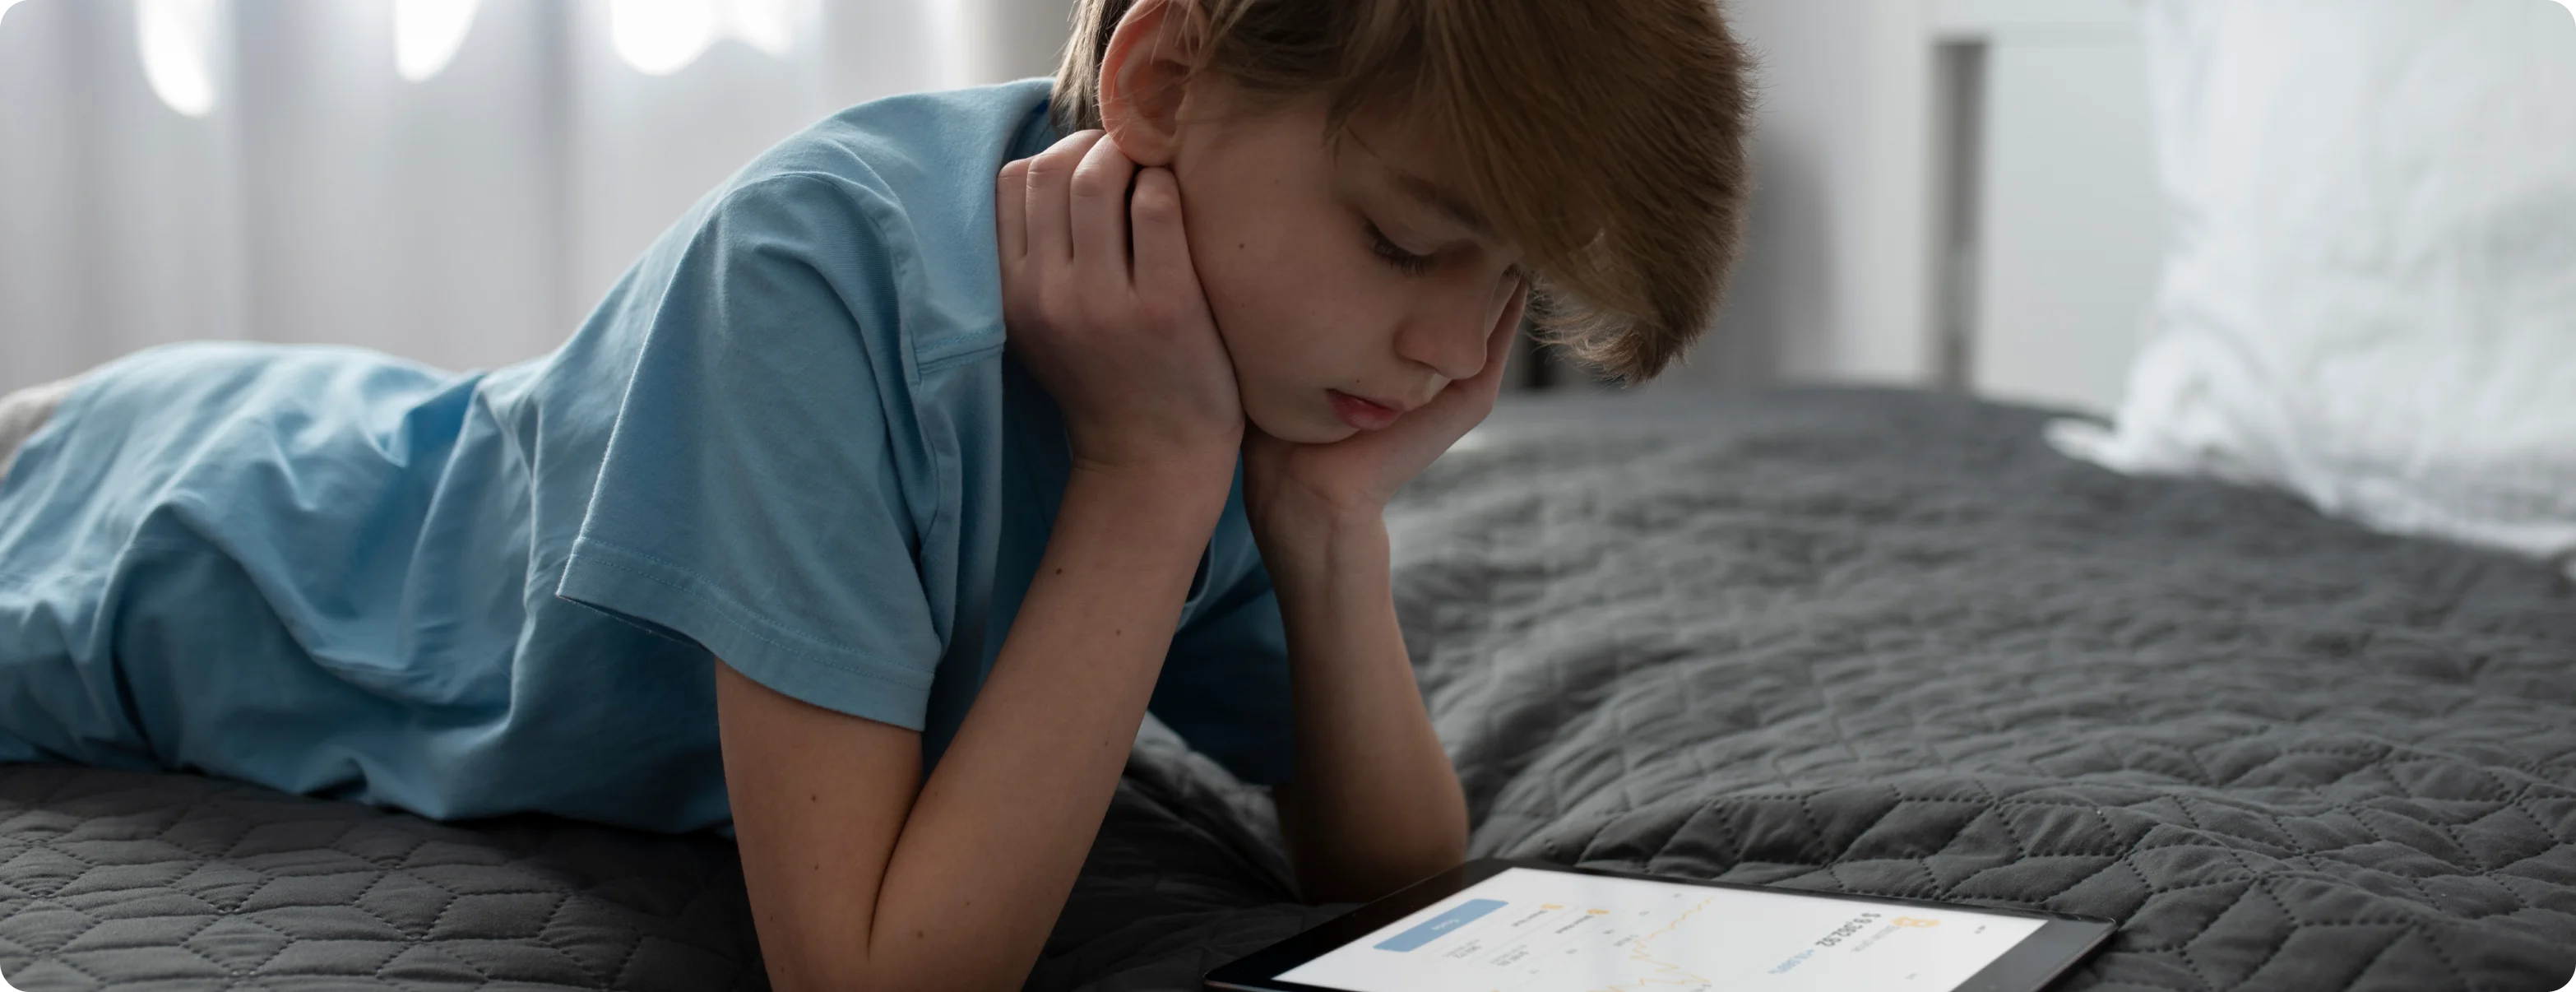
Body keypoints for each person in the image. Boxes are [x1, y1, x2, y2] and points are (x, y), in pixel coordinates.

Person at [0, 0, 1752, 986]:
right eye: (1406, 244)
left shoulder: (1237, 367)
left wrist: (1327, 519)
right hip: (205, 535)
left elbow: (1386, 864)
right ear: (1160, 82)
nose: (1456, 353)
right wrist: (1148, 478)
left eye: (1510, 290)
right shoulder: (826, 264)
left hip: (374, 442)